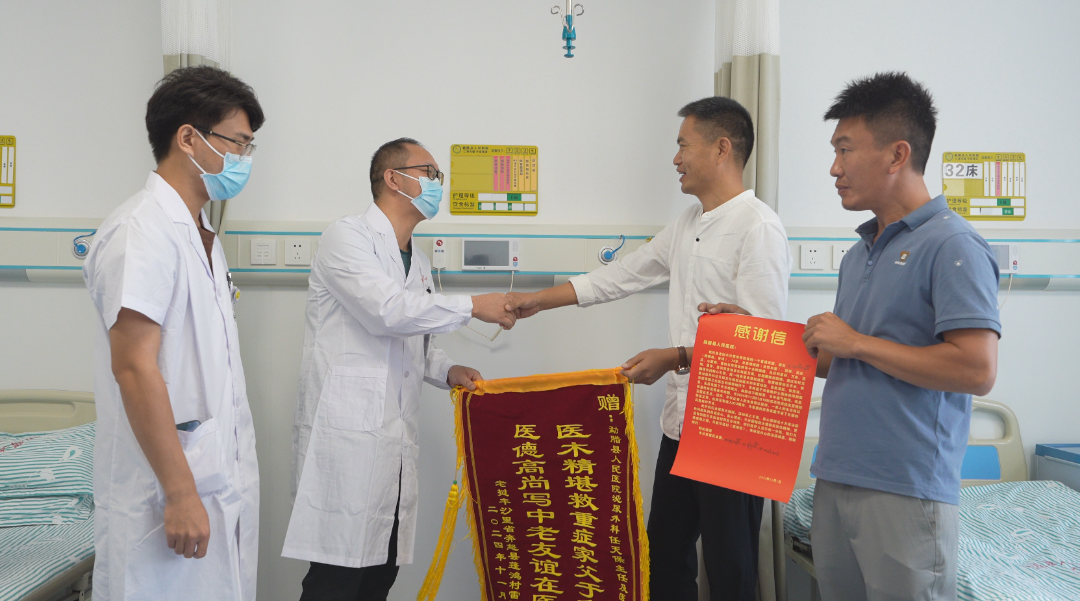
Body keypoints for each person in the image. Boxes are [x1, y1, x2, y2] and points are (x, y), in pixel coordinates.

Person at [705, 72, 1000, 601]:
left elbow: (976, 369)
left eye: (845, 149)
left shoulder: (952, 245)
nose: (834, 168)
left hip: (904, 486)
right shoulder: (861, 252)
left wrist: (856, 343)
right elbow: (838, 357)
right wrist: (753, 334)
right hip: (837, 474)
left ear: (897, 154)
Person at [505, 97, 791, 600]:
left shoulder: (759, 227)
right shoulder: (689, 222)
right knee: (663, 555)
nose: (676, 159)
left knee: (730, 569)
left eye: (684, 145)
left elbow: (763, 348)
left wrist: (675, 357)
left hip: (734, 428)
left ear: (721, 149)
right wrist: (538, 301)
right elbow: (624, 274)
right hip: (682, 423)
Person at [281, 138, 517, 600]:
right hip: (347, 438)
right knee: (335, 581)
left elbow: (415, 339)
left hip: (393, 443)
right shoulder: (346, 237)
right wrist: (474, 305)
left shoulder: (419, 261)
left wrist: (447, 370)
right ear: (393, 178)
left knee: (378, 578)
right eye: (430, 173)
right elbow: (386, 312)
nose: (438, 184)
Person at [82, 66, 264, 600]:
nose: (244, 159)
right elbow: (134, 367)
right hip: (164, 493)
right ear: (188, 138)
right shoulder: (140, 231)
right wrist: (181, 491)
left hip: (213, 480)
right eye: (238, 143)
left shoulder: (200, 234)